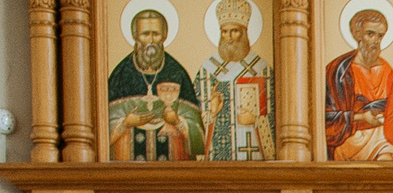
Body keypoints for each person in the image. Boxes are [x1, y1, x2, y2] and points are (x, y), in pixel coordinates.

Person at [326, 10, 393, 159]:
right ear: (357, 34)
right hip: (351, 138)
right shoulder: (339, 70)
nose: (376, 41)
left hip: (383, 133)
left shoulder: (386, 69)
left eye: (380, 36)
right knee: (386, 145)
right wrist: (362, 117)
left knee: (389, 143)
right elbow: (326, 117)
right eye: (370, 34)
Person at [108, 9, 205, 160]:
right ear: (135, 36)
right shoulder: (120, 74)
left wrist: (178, 121)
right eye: (145, 34)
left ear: (164, 36)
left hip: (173, 166)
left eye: (156, 34)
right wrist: (125, 123)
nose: (151, 40)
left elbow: (199, 138)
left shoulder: (177, 73)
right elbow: (101, 134)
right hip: (127, 165)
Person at [195, 0, 273, 161]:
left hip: (256, 160)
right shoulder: (208, 70)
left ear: (244, 32)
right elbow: (193, 122)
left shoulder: (261, 68)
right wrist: (211, 113)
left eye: (234, 31)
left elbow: (276, 117)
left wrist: (256, 121)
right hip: (216, 160)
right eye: (224, 31)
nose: (229, 37)